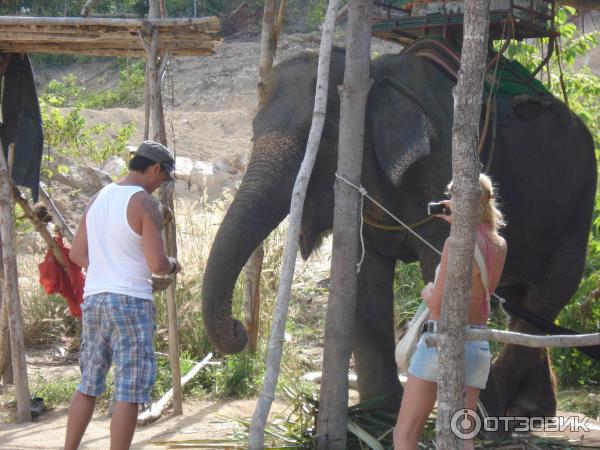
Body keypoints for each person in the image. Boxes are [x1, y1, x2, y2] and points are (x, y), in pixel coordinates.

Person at [64, 141, 182, 450]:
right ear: (155, 169)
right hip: (130, 301)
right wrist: (173, 265)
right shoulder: (145, 203)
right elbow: (157, 264)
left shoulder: (98, 198)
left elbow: (77, 253)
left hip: (95, 299)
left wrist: (105, 267)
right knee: (128, 391)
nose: (161, 185)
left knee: (88, 384)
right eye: (164, 177)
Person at [394, 174, 507, 450]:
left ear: (462, 201)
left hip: (440, 343)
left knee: (405, 433)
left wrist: (427, 291)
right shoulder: (499, 244)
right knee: (462, 434)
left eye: (454, 197)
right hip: (477, 344)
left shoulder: (455, 244)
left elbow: (437, 305)